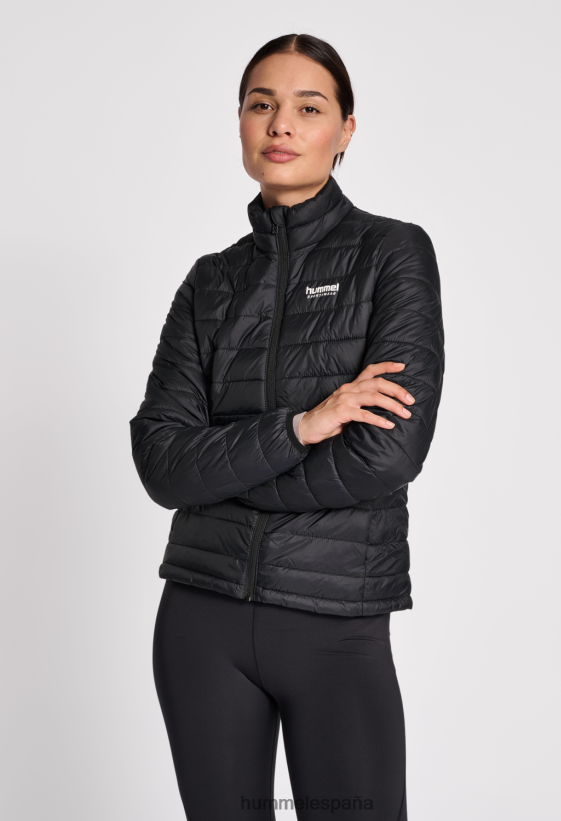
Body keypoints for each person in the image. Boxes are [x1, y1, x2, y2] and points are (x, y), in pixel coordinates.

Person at [129, 32, 445, 821]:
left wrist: (222, 480)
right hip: (200, 623)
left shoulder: (392, 254)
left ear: (345, 130)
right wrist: (302, 426)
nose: (280, 125)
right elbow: (162, 463)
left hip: (335, 624)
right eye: (261, 104)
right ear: (240, 121)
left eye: (309, 107)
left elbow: (386, 452)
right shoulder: (209, 282)